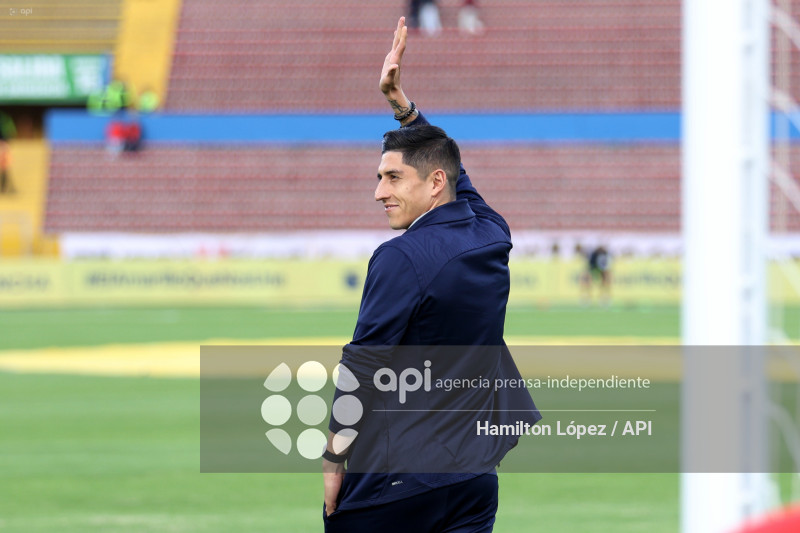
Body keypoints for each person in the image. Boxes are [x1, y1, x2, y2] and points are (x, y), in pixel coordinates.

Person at [322, 17, 540, 533]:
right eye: (380, 177)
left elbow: (364, 364)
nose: (379, 191)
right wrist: (402, 106)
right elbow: (457, 172)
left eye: (393, 177)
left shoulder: (401, 256)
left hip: (395, 484)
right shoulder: (492, 233)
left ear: (435, 182)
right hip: (473, 481)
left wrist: (333, 460)